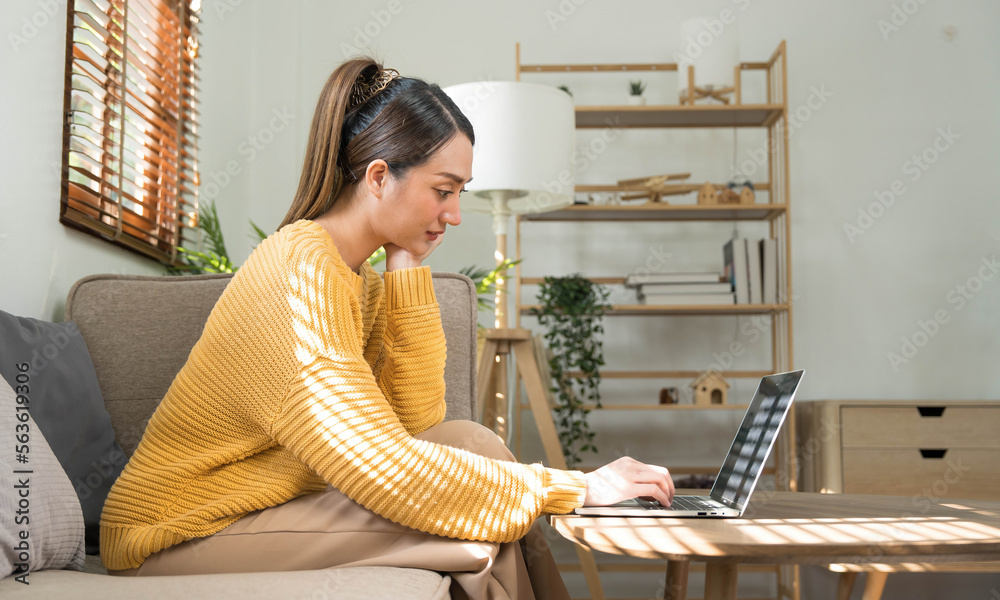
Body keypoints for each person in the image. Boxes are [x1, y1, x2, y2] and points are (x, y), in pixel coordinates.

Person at [100, 58, 675, 600]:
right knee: (472, 538)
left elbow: (420, 428)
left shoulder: (360, 278)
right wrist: (577, 489)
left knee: (471, 442)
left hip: (259, 506)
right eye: (443, 190)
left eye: (459, 195)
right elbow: (380, 466)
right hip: (176, 529)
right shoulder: (300, 272)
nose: (453, 215)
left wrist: (405, 276)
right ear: (379, 177)